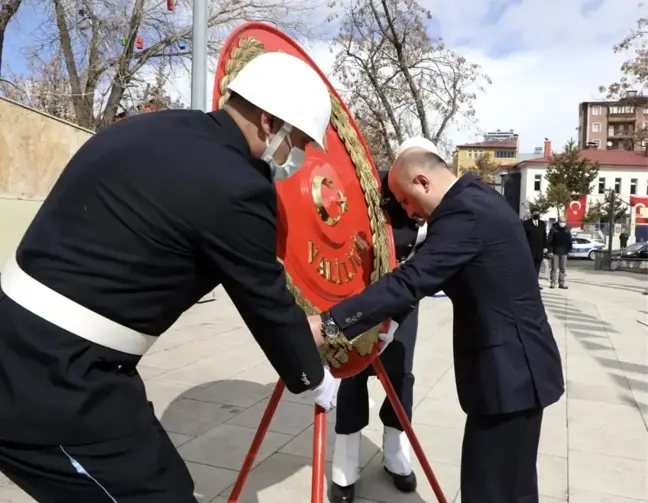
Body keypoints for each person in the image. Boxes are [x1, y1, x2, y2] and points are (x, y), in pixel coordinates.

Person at [0, 52, 340, 502]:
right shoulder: (238, 186)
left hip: (26, 338)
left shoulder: (149, 128)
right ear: (267, 122)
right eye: (296, 140)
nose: (296, 155)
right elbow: (265, 299)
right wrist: (314, 374)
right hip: (53, 378)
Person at [309, 141, 564, 503]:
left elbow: (409, 280)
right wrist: (385, 329)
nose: (410, 213)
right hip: (520, 372)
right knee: (515, 488)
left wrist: (326, 326)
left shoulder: (464, 217)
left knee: (488, 491)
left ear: (423, 182)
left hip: (508, 376)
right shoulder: (475, 199)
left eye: (407, 201)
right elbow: (418, 283)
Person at [330, 138, 433, 503]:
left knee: (401, 375)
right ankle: (345, 462)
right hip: (362, 298)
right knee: (354, 375)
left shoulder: (435, 203)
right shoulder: (372, 194)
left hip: (404, 303)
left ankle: (394, 454)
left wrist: (395, 320)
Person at [522, 211, 548, 289]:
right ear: (532, 214)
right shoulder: (526, 224)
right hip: (529, 249)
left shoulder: (542, 224)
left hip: (539, 250)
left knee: (537, 267)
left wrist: (545, 247)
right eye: (535, 213)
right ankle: (528, 283)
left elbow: (544, 236)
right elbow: (523, 236)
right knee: (530, 267)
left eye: (538, 213)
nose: (536, 214)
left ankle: (535, 284)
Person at [547, 216, 572, 289]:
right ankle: (553, 283)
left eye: (564, 221)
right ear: (558, 221)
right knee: (554, 268)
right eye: (561, 221)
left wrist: (569, 250)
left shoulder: (567, 229)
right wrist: (550, 251)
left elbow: (570, 240)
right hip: (555, 252)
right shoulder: (553, 229)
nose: (563, 223)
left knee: (563, 268)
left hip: (564, 252)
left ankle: (561, 283)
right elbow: (549, 241)